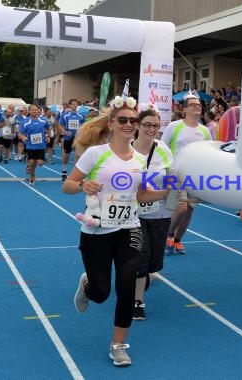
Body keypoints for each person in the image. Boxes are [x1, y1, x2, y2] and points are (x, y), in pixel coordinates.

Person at [62, 95, 169, 367]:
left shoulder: (140, 159)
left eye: (133, 120)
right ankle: (88, 284)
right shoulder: (96, 154)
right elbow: (68, 185)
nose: (129, 124)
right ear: (111, 124)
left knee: (127, 286)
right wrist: (83, 185)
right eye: (123, 119)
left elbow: (141, 195)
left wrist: (166, 192)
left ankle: (118, 345)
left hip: (129, 228)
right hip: (97, 230)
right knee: (101, 293)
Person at [131, 108, 174, 320]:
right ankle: (137, 301)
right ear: (137, 125)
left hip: (160, 213)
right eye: (147, 124)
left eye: (155, 126)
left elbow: (171, 177)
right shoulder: (126, 150)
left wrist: (175, 201)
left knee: (154, 263)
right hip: (132, 215)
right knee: (141, 256)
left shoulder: (163, 150)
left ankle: (142, 276)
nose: (151, 129)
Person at [161, 93, 212, 255]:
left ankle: (177, 241)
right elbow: (162, 148)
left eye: (199, 105)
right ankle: (166, 236)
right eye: (193, 105)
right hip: (176, 173)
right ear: (185, 109)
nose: (197, 107)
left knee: (189, 210)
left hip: (195, 177)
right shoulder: (174, 126)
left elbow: (210, 153)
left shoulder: (204, 131)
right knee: (181, 208)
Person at [19, 104, 51, 185]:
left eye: (36, 110)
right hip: (30, 146)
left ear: (38, 111)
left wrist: (48, 136)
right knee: (31, 163)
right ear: (29, 111)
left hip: (41, 146)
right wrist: (23, 137)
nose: (34, 111)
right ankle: (32, 177)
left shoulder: (43, 120)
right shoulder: (25, 121)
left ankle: (31, 168)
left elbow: (48, 128)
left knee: (40, 163)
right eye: (32, 110)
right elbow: (20, 133)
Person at [59, 98, 85, 180]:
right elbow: (60, 125)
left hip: (77, 138)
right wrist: (65, 132)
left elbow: (83, 126)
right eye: (73, 104)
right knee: (67, 155)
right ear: (70, 105)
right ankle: (64, 170)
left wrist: (81, 133)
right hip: (68, 137)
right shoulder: (65, 115)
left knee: (78, 155)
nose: (75, 106)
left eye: (76, 104)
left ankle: (76, 174)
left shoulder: (80, 116)